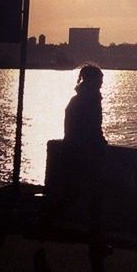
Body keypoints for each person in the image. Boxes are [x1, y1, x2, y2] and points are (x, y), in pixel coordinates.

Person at [45, 65, 108, 244]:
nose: (102, 83)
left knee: (76, 193)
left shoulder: (79, 100)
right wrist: (99, 144)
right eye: (100, 80)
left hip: (75, 150)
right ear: (92, 81)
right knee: (91, 194)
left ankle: (47, 221)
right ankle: (94, 235)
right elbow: (92, 128)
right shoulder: (90, 101)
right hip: (84, 152)